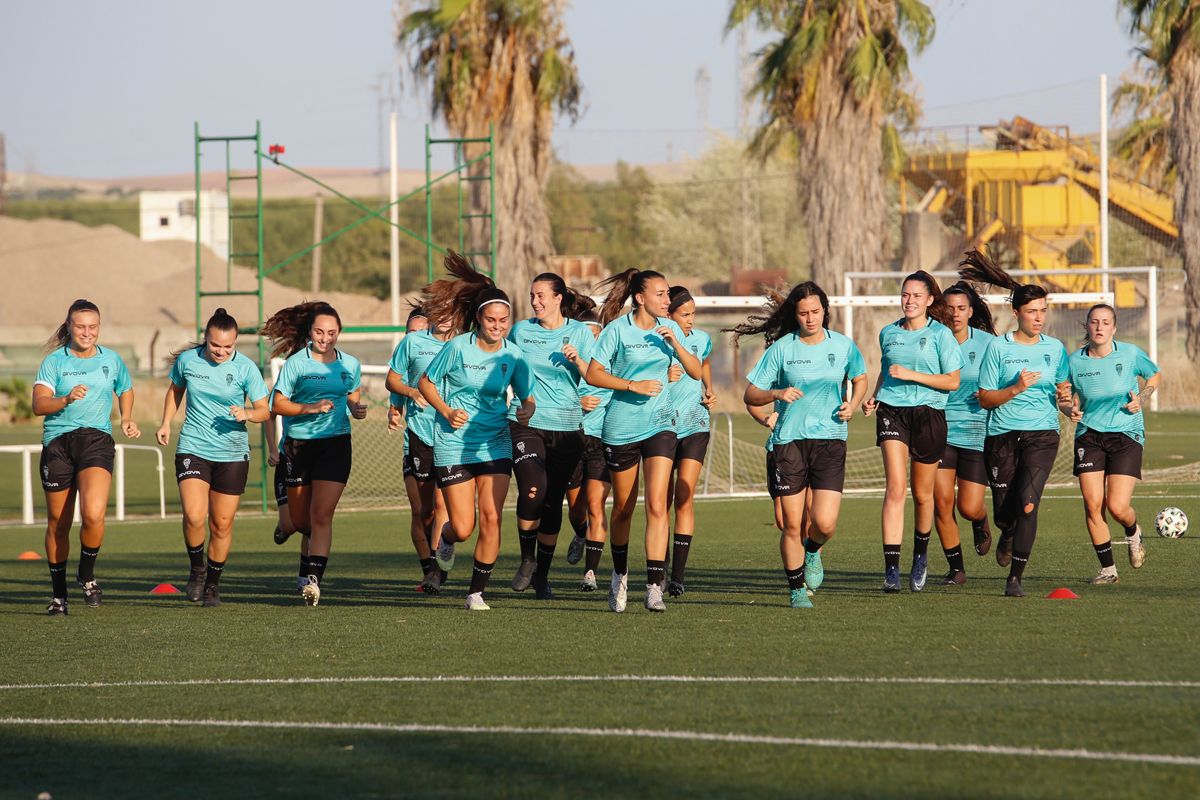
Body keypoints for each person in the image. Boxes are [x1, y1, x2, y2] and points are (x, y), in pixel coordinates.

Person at [737, 282, 868, 608]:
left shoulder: (843, 346)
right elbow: (751, 395)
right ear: (795, 315)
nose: (810, 318)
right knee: (791, 523)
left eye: (815, 312)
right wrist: (776, 394)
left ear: (825, 310)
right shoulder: (782, 349)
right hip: (789, 441)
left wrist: (852, 404)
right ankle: (796, 589)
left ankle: (812, 550)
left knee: (824, 523)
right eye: (803, 313)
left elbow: (860, 377)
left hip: (831, 440)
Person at [418, 252, 535, 611]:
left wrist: (526, 410)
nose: (498, 325)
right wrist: (446, 410)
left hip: (495, 441)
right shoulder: (456, 348)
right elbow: (426, 382)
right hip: (454, 444)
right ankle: (447, 540)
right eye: (491, 319)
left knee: (492, 516)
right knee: (464, 526)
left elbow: (527, 397)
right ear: (479, 319)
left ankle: (476, 592)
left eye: (504, 319)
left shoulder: (514, 356)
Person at [585, 268, 702, 613]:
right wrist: (631, 385)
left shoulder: (672, 329)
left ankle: (654, 586)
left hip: (661, 425)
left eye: (668, 294)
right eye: (661, 294)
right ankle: (619, 574)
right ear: (640, 298)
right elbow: (593, 373)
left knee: (656, 505)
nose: (668, 300)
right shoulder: (617, 331)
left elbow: (695, 371)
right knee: (622, 508)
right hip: (620, 428)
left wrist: (675, 344)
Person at [960, 249, 1071, 597]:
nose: (1039, 318)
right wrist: (1016, 388)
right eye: (1032, 312)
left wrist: (1069, 405)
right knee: (1004, 515)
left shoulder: (1055, 349)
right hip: (1001, 435)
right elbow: (986, 398)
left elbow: (1063, 392)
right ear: (1016, 313)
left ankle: (1015, 579)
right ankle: (1006, 532)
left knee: (1028, 503)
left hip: (1042, 433)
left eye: (1043, 311)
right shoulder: (999, 348)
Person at [155, 309, 269, 607]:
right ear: (206, 338)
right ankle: (196, 569)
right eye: (215, 345)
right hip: (194, 446)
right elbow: (175, 391)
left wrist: (247, 413)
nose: (220, 351)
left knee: (221, 524)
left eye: (228, 347)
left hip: (232, 452)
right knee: (194, 515)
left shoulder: (246, 369)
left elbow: (265, 410)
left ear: (236, 343)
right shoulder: (188, 361)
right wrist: (166, 422)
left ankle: (212, 586)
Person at [33, 299, 140, 615]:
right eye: (80, 326)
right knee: (59, 523)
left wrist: (127, 417)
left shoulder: (111, 359)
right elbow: (39, 404)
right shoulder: (54, 362)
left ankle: (88, 575)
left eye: (93, 326)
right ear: (69, 326)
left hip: (96, 441)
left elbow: (126, 388)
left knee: (93, 514)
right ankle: (59, 596)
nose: (87, 332)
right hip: (58, 445)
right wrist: (64, 399)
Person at [862, 271, 962, 594]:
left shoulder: (941, 336)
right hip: (893, 411)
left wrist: (912, 375)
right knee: (895, 487)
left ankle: (920, 555)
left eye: (917, 296)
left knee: (922, 495)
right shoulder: (888, 332)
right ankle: (891, 569)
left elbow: (952, 381)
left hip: (930, 414)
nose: (910, 301)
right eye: (906, 295)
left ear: (930, 300)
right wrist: (875, 395)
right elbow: (885, 369)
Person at [263, 301, 366, 606]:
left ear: (339, 333)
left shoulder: (350, 364)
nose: (325, 338)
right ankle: (289, 533)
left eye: (332, 333)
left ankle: (313, 580)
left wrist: (356, 408)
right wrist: (307, 408)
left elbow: (352, 396)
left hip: (335, 444)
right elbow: (276, 405)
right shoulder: (296, 363)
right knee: (298, 521)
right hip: (299, 445)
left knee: (321, 515)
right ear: (310, 332)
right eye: (320, 332)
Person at [505, 273, 596, 599]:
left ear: (559, 298)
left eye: (542, 296)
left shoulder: (580, 333)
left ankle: (542, 577)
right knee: (533, 491)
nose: (535, 302)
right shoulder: (521, 331)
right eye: (532, 295)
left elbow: (596, 376)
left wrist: (579, 360)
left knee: (553, 501)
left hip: (568, 427)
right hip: (526, 423)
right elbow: (506, 368)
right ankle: (527, 560)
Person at [1063, 303, 1161, 584]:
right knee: (1093, 505)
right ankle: (1108, 570)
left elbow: (1154, 375)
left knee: (1117, 507)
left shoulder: (1129, 353)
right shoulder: (1074, 361)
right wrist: (1069, 408)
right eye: (1094, 322)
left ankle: (1133, 531)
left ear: (1114, 328)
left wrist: (1141, 399)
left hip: (1126, 434)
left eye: (1106, 322)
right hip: (1089, 435)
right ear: (1086, 326)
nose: (1099, 327)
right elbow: (1062, 395)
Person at [933, 282, 998, 586]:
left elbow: (1000, 382)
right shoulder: (930, 339)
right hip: (937, 431)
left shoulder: (987, 344)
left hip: (975, 432)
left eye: (961, 308)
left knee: (968, 506)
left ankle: (980, 519)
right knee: (941, 501)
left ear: (971, 312)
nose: (955, 314)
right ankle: (956, 568)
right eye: (949, 308)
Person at [386, 305, 452, 594]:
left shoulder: (463, 343)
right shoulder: (412, 344)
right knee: (422, 511)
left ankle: (436, 570)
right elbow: (394, 382)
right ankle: (428, 565)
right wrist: (403, 401)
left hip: (452, 436)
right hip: (418, 435)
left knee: (442, 507)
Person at [663, 285, 716, 597]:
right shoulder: (654, 341)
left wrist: (709, 389)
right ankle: (660, 567)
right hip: (661, 427)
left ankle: (678, 577)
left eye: (693, 314)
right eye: (685, 314)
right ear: (668, 315)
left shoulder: (701, 339)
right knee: (662, 502)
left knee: (684, 494)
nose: (690, 320)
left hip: (695, 424)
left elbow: (704, 363)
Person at [571, 309, 611, 592]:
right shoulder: (564, 366)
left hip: (602, 442)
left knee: (596, 506)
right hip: (571, 439)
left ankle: (590, 573)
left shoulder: (613, 364)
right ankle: (581, 534)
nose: (591, 340)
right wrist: (577, 403)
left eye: (595, 334)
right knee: (576, 510)